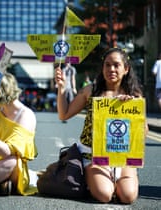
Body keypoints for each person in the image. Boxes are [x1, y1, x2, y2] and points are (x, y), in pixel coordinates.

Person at [55, 48, 146, 204]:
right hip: (93, 156)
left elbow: (143, 133)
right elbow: (64, 114)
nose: (111, 69)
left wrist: (131, 114)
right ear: (102, 68)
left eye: (116, 65)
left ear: (126, 69)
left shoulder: (134, 95)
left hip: (122, 157)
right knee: (104, 195)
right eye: (107, 65)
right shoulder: (90, 91)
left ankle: (119, 180)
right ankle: (89, 178)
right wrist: (62, 88)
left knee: (128, 196)